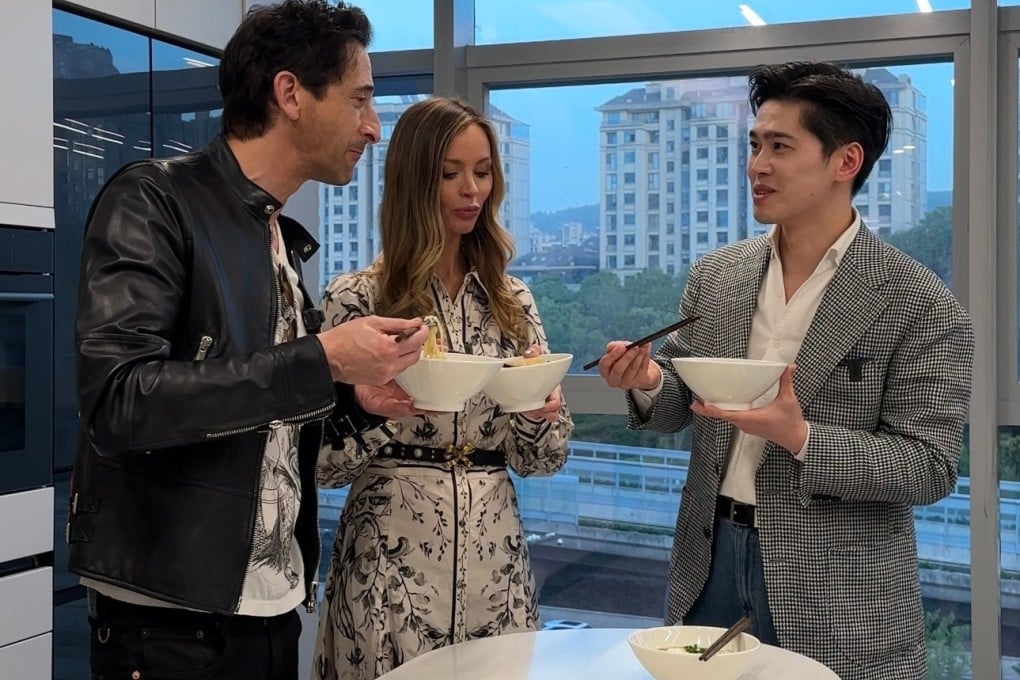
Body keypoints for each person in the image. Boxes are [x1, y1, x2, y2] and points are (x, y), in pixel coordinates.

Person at [67, 2, 431, 679]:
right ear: (290, 94)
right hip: (170, 622)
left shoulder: (277, 237)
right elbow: (120, 402)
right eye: (359, 101)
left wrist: (353, 400)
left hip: (270, 605)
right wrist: (321, 359)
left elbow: (261, 415)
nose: (373, 127)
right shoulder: (153, 201)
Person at [597, 61, 973, 679]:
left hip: (838, 589)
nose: (757, 165)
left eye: (779, 147)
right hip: (710, 559)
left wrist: (800, 437)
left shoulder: (918, 301)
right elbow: (681, 402)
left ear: (845, 161)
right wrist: (647, 381)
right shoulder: (717, 274)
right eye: (754, 145)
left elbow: (929, 466)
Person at [310, 96, 574, 680]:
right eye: (451, 173)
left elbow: (544, 460)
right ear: (413, 180)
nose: (471, 190)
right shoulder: (358, 298)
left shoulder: (513, 302)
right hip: (386, 563)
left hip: (495, 564)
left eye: (482, 172)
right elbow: (321, 465)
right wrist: (370, 412)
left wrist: (538, 415)